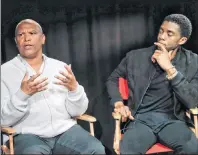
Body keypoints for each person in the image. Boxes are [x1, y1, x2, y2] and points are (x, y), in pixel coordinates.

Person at [1, 19, 105, 154]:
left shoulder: (60, 67)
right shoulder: (4, 72)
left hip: (65, 132)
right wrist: (22, 94)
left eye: (32, 33)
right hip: (27, 135)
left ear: (43, 38)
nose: (26, 38)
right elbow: (3, 120)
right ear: (16, 41)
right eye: (21, 35)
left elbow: (77, 111)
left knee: (95, 149)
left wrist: (74, 89)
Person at [106, 14, 198, 154]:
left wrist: (170, 69)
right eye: (161, 31)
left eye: (169, 34)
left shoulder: (193, 62)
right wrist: (118, 103)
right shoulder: (135, 57)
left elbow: (192, 101)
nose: (162, 36)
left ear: (182, 40)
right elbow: (113, 79)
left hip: (173, 120)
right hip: (140, 120)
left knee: (192, 149)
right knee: (128, 150)